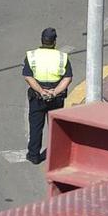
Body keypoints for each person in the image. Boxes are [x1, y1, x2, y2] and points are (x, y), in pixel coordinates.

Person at [22, 27, 72, 163]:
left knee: (36, 127)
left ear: (42, 40)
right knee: (56, 128)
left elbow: (28, 76)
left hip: (37, 98)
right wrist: (54, 92)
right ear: (54, 41)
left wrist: (41, 91)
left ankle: (34, 156)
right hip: (56, 99)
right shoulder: (62, 57)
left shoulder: (32, 55)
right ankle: (56, 156)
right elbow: (67, 78)